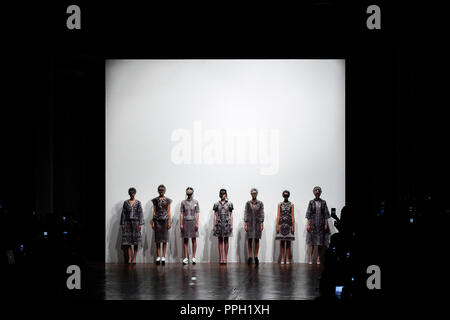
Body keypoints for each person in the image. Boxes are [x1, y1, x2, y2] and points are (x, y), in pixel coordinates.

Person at [306, 186, 331, 264]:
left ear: (320, 192)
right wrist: (308, 224)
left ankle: (318, 258)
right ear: (313, 192)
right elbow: (309, 214)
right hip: (313, 224)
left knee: (320, 242)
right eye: (316, 190)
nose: (317, 192)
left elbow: (326, 214)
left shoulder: (323, 202)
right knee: (312, 242)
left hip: (321, 224)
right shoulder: (311, 202)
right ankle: (310, 258)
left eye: (318, 190)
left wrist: (326, 224)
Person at [120, 187, 144, 264]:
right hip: (127, 223)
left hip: (136, 223)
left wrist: (140, 223)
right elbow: (123, 213)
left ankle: (134, 258)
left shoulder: (138, 202)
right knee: (128, 242)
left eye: (133, 192)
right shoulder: (126, 203)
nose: (132, 194)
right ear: (129, 193)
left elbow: (140, 213)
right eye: (131, 192)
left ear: (135, 193)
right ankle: (130, 258)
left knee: (135, 241)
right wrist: (122, 223)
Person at [151, 184, 172, 265]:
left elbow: (169, 212)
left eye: (162, 190)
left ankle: (163, 256)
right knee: (158, 239)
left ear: (165, 191)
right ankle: (158, 256)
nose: (161, 192)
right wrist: (153, 221)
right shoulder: (155, 200)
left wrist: (169, 221)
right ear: (158, 191)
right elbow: (154, 211)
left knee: (164, 239)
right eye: (160, 190)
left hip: (165, 220)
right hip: (157, 220)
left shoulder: (168, 200)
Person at [244, 188, 264, 265]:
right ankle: (250, 257)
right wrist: (245, 223)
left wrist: (262, 223)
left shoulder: (260, 203)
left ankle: (256, 257)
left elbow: (262, 212)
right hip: (250, 222)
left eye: (255, 193)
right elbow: (246, 212)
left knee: (256, 239)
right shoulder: (248, 203)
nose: (254, 194)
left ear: (257, 194)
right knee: (249, 239)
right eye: (252, 193)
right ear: (251, 194)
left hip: (257, 223)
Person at [213, 189, 233, 264]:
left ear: (226, 194)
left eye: (224, 194)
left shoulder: (229, 204)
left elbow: (231, 215)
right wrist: (214, 224)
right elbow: (215, 215)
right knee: (220, 241)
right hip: (219, 223)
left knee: (226, 240)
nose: (223, 195)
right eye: (221, 194)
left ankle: (225, 258)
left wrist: (231, 224)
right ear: (220, 194)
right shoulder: (216, 204)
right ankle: (221, 258)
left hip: (227, 223)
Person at [180, 187, 200, 265]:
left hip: (193, 221)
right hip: (185, 221)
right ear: (186, 193)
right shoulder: (183, 202)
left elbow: (197, 213)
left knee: (194, 239)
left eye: (190, 192)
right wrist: (181, 223)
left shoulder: (196, 202)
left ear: (192, 193)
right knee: (185, 240)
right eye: (188, 192)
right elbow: (181, 213)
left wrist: (197, 223)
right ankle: (186, 257)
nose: (189, 193)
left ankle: (193, 257)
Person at [275, 190, 295, 264]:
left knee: (288, 242)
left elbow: (292, 216)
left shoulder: (291, 204)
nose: (286, 196)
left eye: (287, 195)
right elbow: (278, 215)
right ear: (283, 195)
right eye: (284, 195)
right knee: (282, 241)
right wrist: (277, 225)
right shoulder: (279, 204)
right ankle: (282, 258)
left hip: (289, 224)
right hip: (281, 224)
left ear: (288, 195)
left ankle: (287, 258)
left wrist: (293, 226)